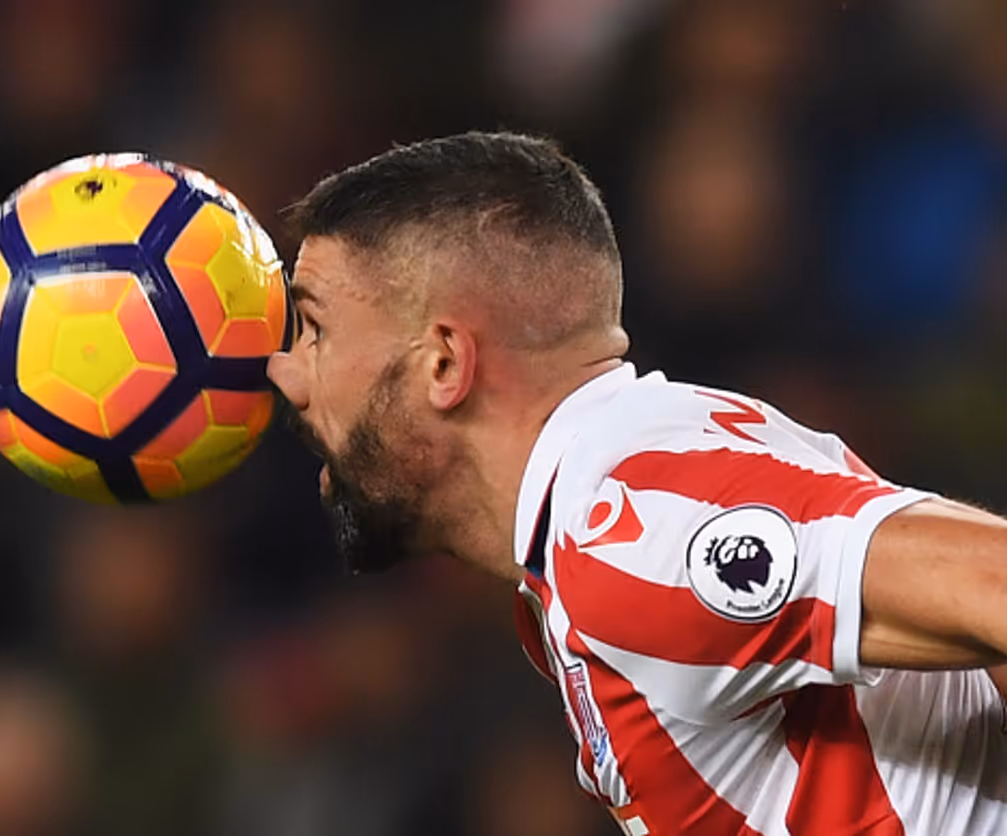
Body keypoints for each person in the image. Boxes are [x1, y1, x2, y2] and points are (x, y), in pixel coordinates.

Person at [265, 131, 1007, 835]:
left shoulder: (630, 534)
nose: (285, 373)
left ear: (445, 365)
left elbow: (993, 582)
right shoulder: (618, 495)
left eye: (315, 328)